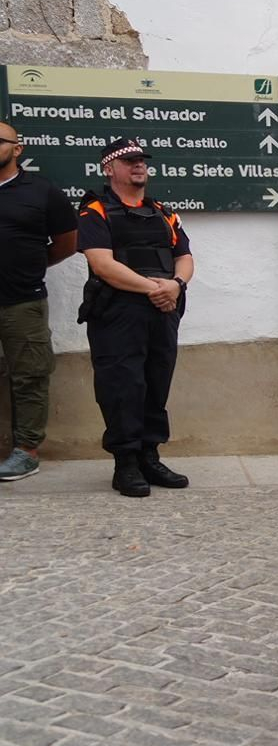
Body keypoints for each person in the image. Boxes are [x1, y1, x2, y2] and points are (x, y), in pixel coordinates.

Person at [77, 138, 195, 498]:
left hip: (163, 309)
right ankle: (125, 463)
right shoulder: (94, 210)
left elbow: (185, 257)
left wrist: (175, 285)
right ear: (108, 168)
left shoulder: (162, 211)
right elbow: (102, 264)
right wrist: (153, 289)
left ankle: (150, 456)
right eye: (128, 160)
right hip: (117, 312)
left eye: (141, 160)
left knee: (156, 383)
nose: (138, 165)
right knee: (121, 386)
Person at [0, 123, 76, 481]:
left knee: (29, 376)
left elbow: (66, 242)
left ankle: (26, 451)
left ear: (18, 149)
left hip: (22, 302)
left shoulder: (42, 191)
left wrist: (30, 264)